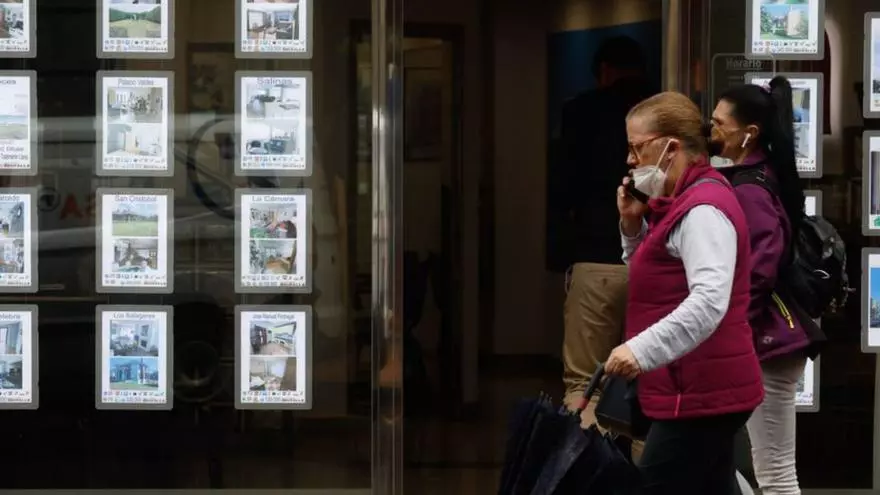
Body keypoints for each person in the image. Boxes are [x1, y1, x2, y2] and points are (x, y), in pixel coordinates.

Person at [604, 91, 765, 494]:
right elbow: (656, 282)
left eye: (637, 148)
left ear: (670, 147)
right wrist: (632, 227)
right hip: (699, 387)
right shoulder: (682, 202)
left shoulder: (702, 209)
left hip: (700, 391)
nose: (630, 160)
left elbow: (709, 301)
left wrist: (639, 351)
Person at [709, 76, 815, 495]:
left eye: (720, 124)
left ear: (749, 133)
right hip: (766, 340)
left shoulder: (750, 189)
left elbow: (759, 269)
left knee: (776, 475)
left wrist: (734, 328)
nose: (711, 130)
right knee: (713, 458)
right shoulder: (759, 175)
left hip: (767, 342)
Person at [555, 35, 658, 425]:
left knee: (585, 385)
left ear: (603, 71)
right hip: (657, 260)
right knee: (652, 383)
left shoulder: (581, 111)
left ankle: (584, 460)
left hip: (596, 254)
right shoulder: (663, 114)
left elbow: (564, 186)